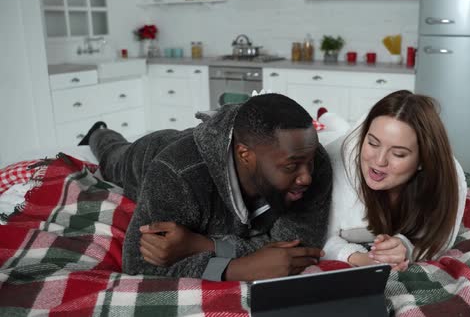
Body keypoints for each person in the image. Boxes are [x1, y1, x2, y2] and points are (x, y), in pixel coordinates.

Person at [82, 93, 332, 281]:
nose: (307, 178)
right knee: (112, 158)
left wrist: (200, 245)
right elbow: (139, 264)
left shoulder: (309, 160)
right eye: (291, 167)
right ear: (245, 155)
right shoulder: (176, 173)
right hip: (150, 154)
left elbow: (295, 251)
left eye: (309, 163)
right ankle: (98, 132)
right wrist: (236, 269)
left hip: (213, 144)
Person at [322, 90, 467, 271]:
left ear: (423, 160)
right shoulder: (332, 165)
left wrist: (404, 247)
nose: (380, 161)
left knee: (337, 126)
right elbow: (320, 236)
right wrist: (360, 258)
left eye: (398, 153)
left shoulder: (450, 180)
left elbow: (438, 241)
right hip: (326, 139)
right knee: (330, 127)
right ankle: (325, 116)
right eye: (373, 143)